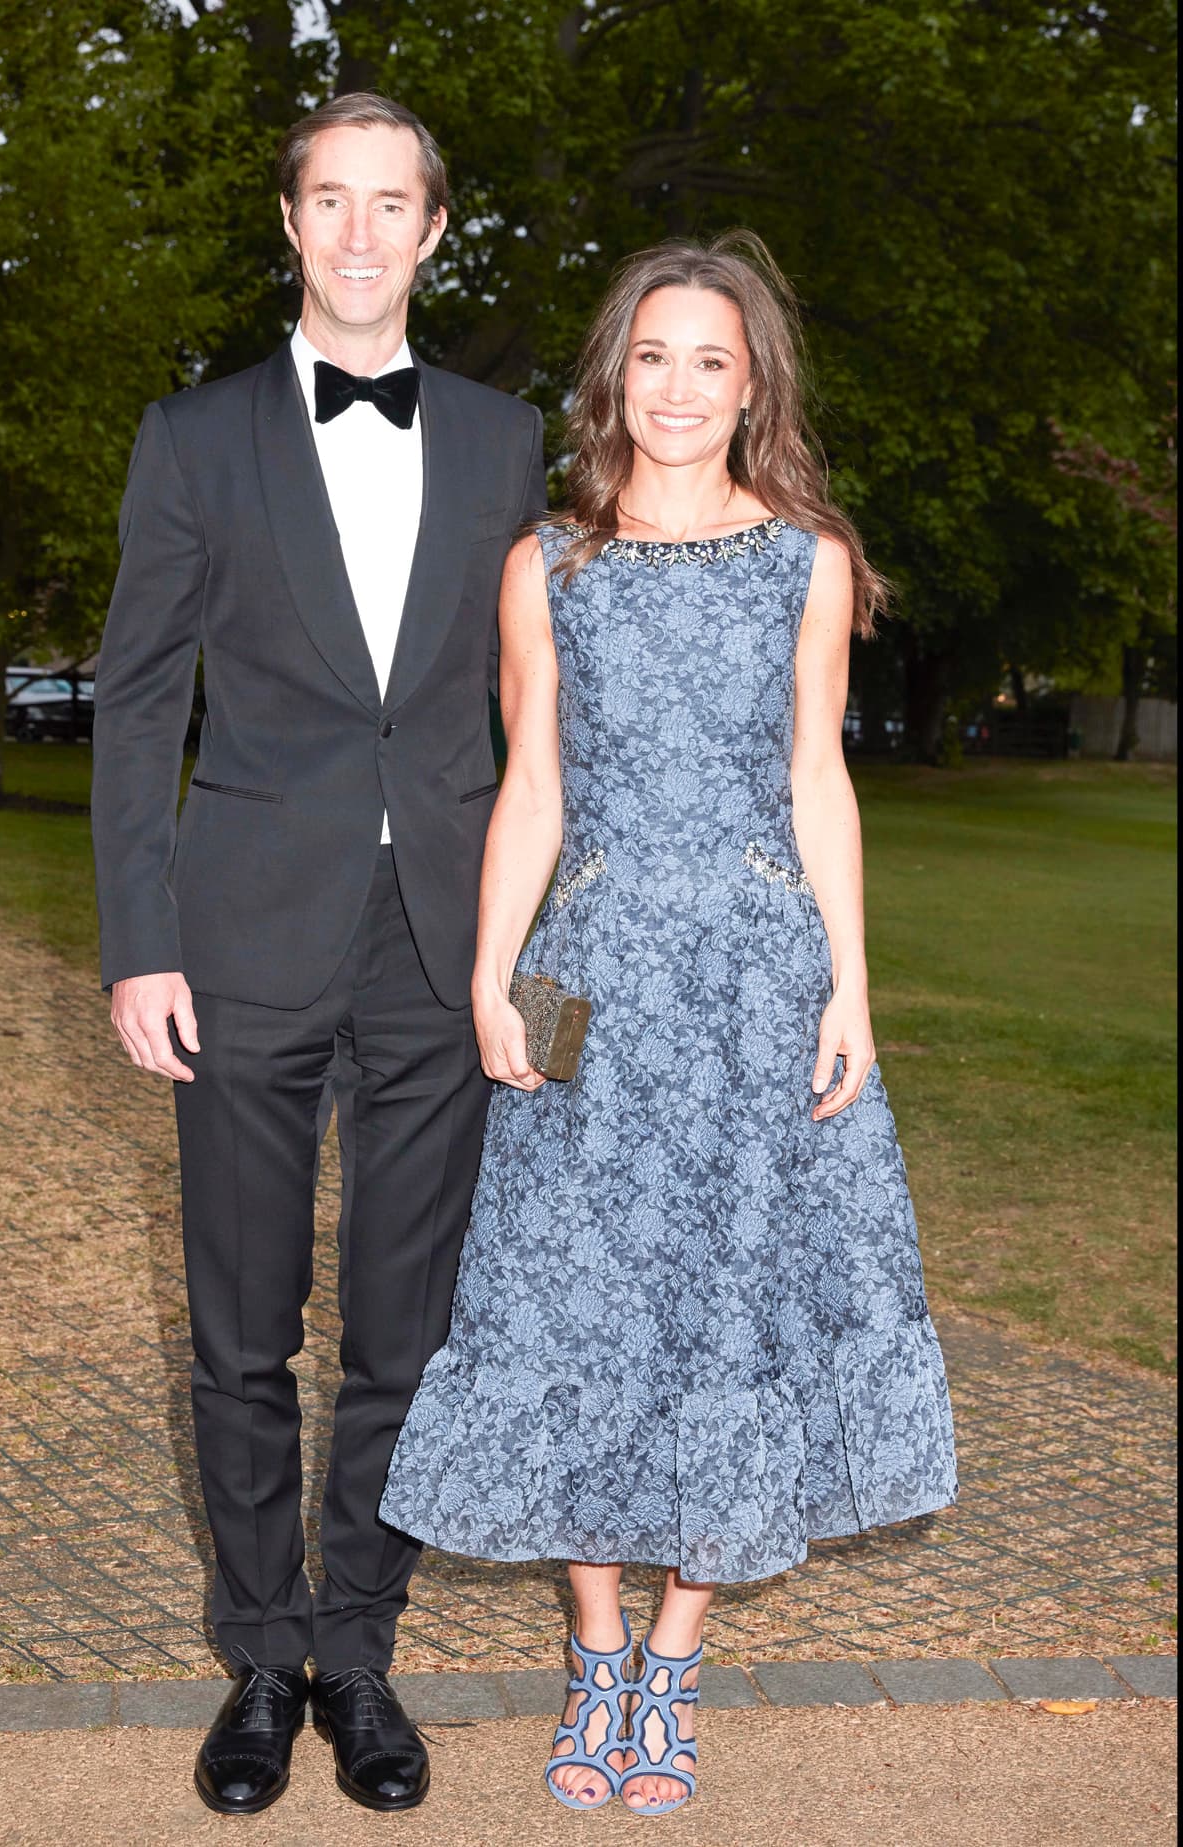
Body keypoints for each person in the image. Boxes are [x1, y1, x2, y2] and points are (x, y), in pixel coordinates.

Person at [381, 233, 958, 1816]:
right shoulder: (548, 564)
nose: (682, 388)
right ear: (614, 377)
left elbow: (818, 780)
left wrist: (851, 984)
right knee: (569, 1300)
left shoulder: (806, 559)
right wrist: (493, 978)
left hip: (760, 983)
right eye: (654, 357)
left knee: (733, 1306)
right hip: (587, 982)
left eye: (714, 360)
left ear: (753, 383)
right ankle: (597, 1650)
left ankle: (677, 1656)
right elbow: (533, 789)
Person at [91, 92, 545, 1817]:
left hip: (445, 948)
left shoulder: (508, 442)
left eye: (391, 203)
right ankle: (259, 1658)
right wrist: (139, 942)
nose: (360, 233)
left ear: (435, 230)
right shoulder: (193, 437)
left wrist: (543, 945)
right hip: (237, 941)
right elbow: (139, 707)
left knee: (404, 1336)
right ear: (290, 224)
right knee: (239, 1330)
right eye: (331, 201)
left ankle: (358, 1650)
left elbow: (546, 711)